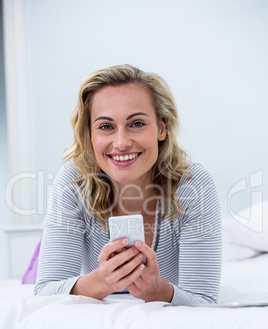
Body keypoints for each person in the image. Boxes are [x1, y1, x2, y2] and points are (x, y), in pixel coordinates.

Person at [34, 64, 222, 304]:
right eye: (105, 127)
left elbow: (205, 300)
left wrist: (159, 291)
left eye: (137, 124)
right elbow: (45, 291)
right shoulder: (73, 182)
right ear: (90, 135)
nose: (121, 142)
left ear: (162, 127)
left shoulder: (193, 185)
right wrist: (102, 281)